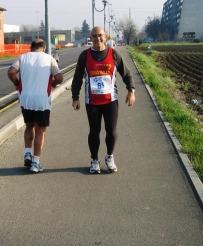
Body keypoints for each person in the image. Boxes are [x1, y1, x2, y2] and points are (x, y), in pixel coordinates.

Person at [71, 26, 135, 174]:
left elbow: (127, 74)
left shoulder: (113, 54)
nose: (97, 38)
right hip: (92, 101)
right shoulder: (85, 56)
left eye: (100, 35)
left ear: (106, 37)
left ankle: (109, 157)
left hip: (110, 100)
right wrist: (75, 98)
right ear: (90, 38)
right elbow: (77, 79)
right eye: (94, 36)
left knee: (111, 131)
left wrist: (131, 91)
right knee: (94, 132)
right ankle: (94, 160)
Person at [7, 39, 63, 173]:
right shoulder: (49, 59)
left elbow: (11, 72)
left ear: (31, 47)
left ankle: (27, 152)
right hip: (42, 100)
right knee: (40, 131)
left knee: (29, 126)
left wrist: (17, 83)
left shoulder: (22, 57)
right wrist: (54, 84)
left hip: (25, 99)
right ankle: (36, 162)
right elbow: (59, 78)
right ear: (44, 48)